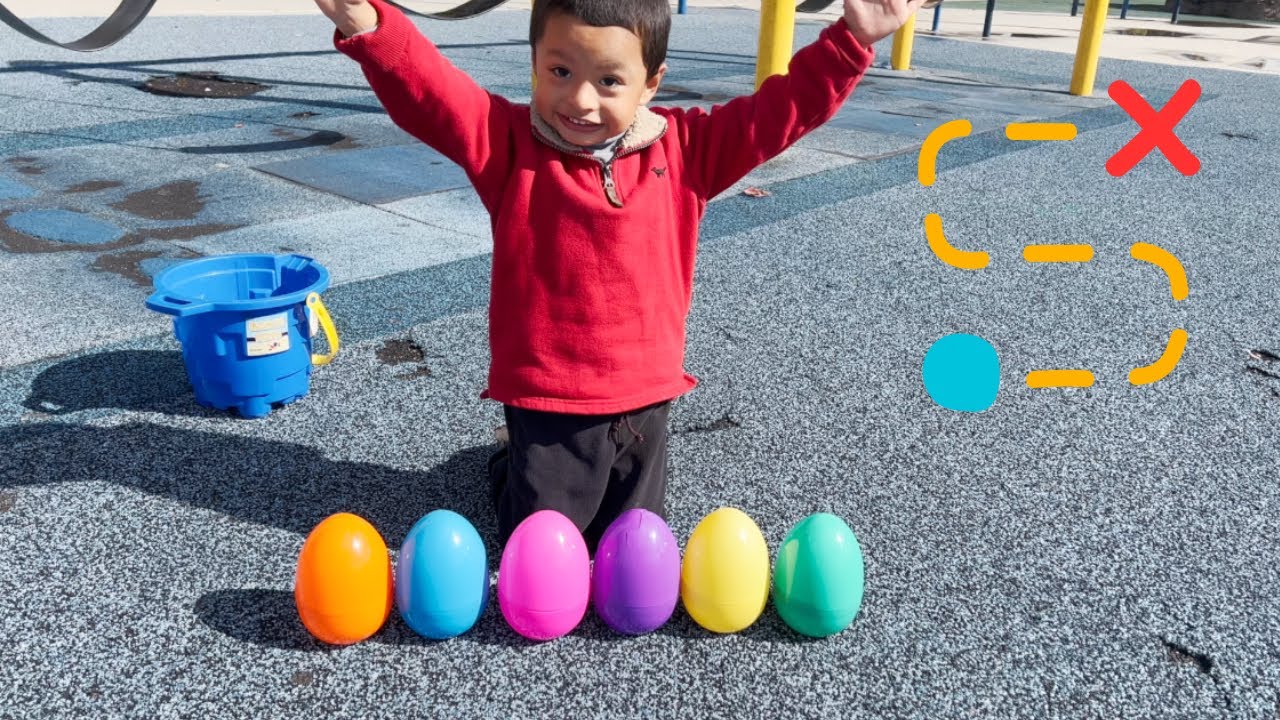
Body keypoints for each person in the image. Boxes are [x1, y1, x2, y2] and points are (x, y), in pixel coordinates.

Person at [312, 0, 924, 551]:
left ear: (650, 84)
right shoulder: (508, 144)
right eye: (560, 72)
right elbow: (434, 94)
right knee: (543, 539)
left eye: (609, 81)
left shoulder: (687, 148)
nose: (580, 100)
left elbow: (777, 113)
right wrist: (367, 25)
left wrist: (851, 40)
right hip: (550, 396)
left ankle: (538, 464)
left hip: (646, 394)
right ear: (534, 63)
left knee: (633, 539)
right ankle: (511, 465)